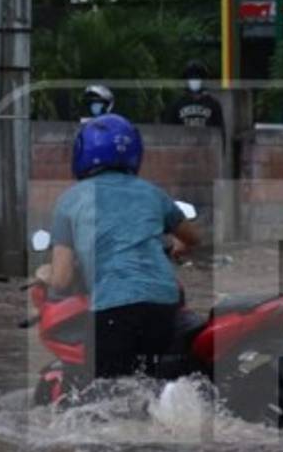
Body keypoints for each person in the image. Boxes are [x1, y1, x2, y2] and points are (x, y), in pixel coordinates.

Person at [42, 114, 202, 381]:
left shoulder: (69, 201)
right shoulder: (152, 192)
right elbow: (194, 237)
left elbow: (62, 280)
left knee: (108, 392)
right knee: (153, 382)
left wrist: (44, 275)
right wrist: (179, 244)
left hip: (113, 305)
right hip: (164, 303)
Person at [163, 60, 224, 130]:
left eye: (198, 77)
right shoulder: (176, 105)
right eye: (191, 77)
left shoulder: (214, 105)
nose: (194, 81)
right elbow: (168, 131)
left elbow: (220, 133)